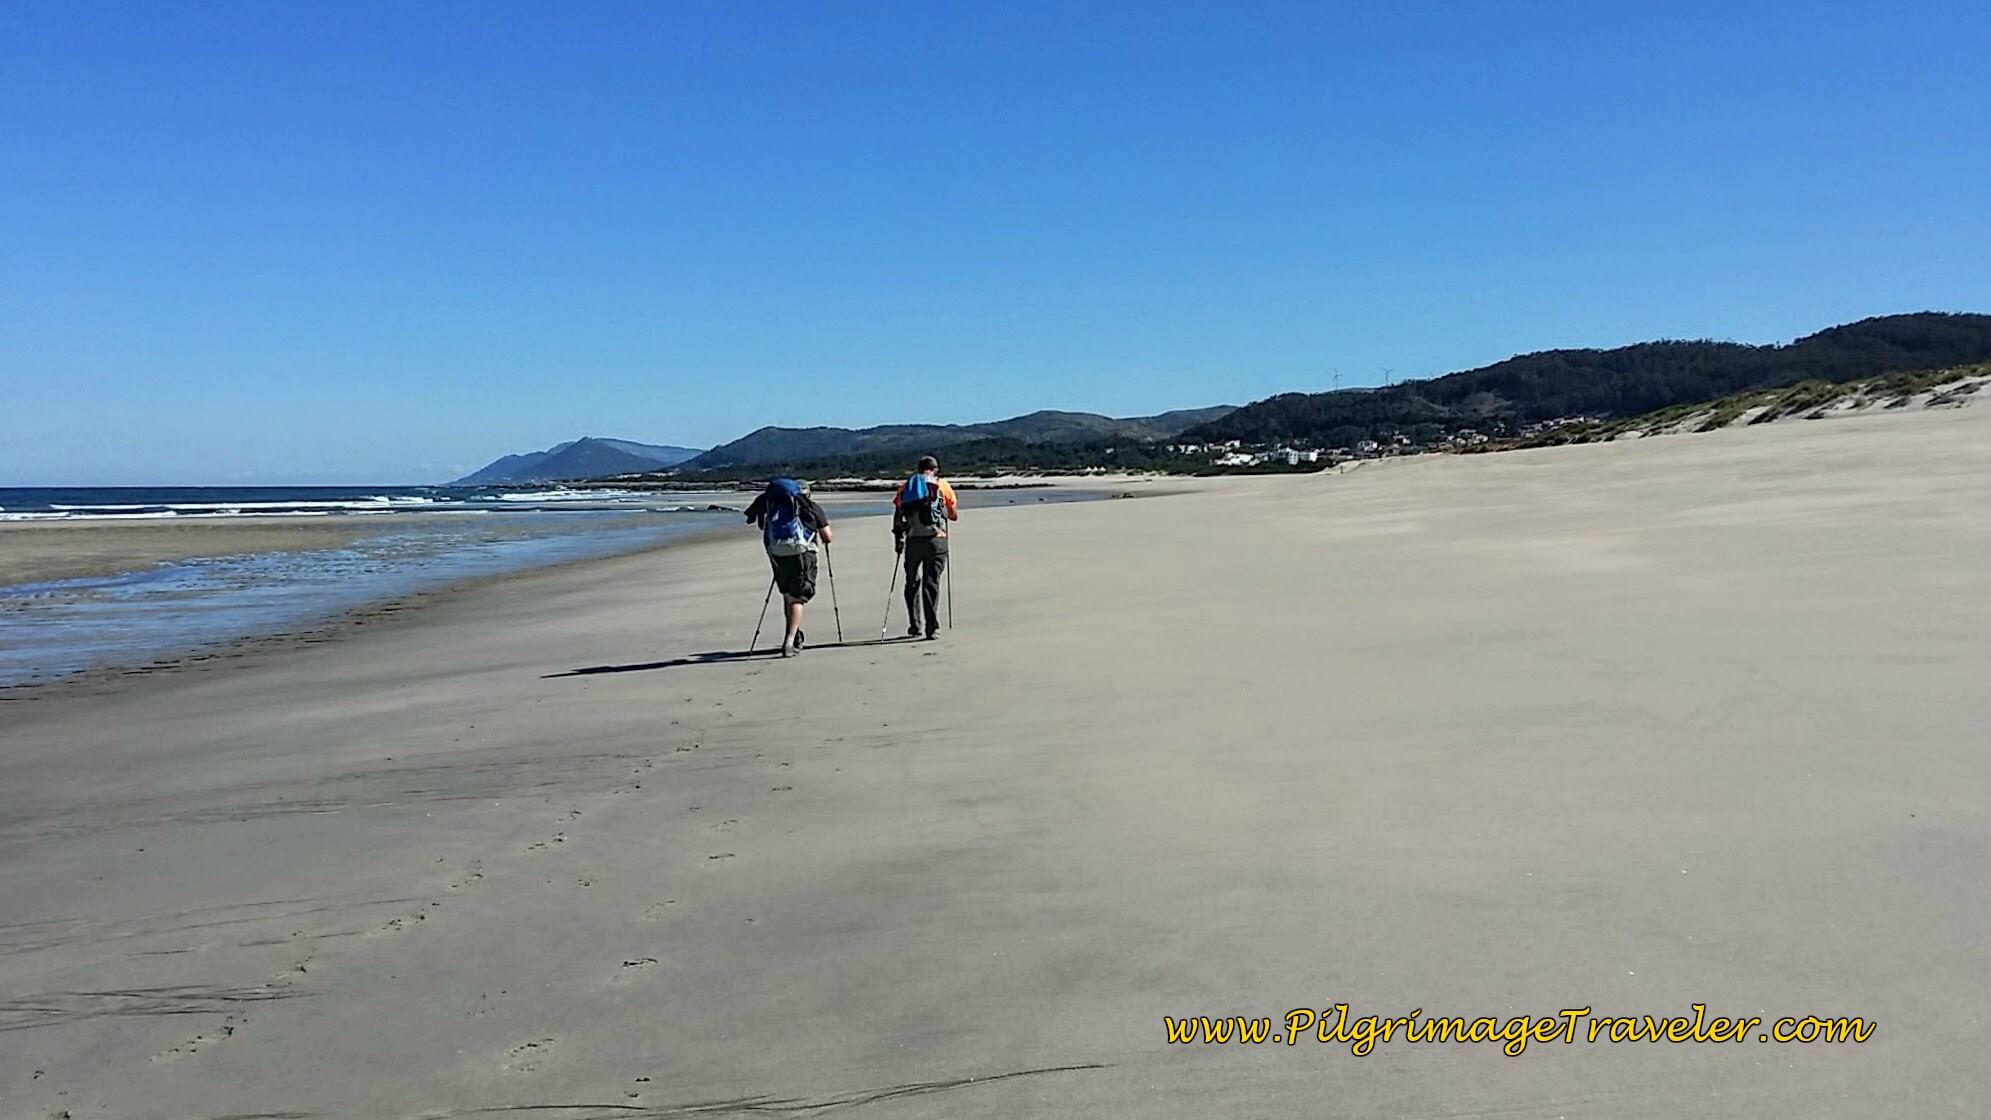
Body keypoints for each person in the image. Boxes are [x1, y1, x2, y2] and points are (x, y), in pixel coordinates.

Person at [743, 477, 833, 657]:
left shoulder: (772, 506)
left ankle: (792, 633)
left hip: (777, 554)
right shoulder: (811, 507)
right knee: (797, 598)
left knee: (787, 595)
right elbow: (827, 537)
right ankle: (790, 641)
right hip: (803, 555)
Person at [892, 455, 959, 640]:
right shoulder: (942, 485)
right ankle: (932, 628)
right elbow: (953, 515)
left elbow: (898, 516)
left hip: (913, 540)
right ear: (935, 469)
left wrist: (898, 540)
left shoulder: (906, 487)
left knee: (912, 582)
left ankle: (915, 625)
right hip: (937, 540)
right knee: (931, 582)